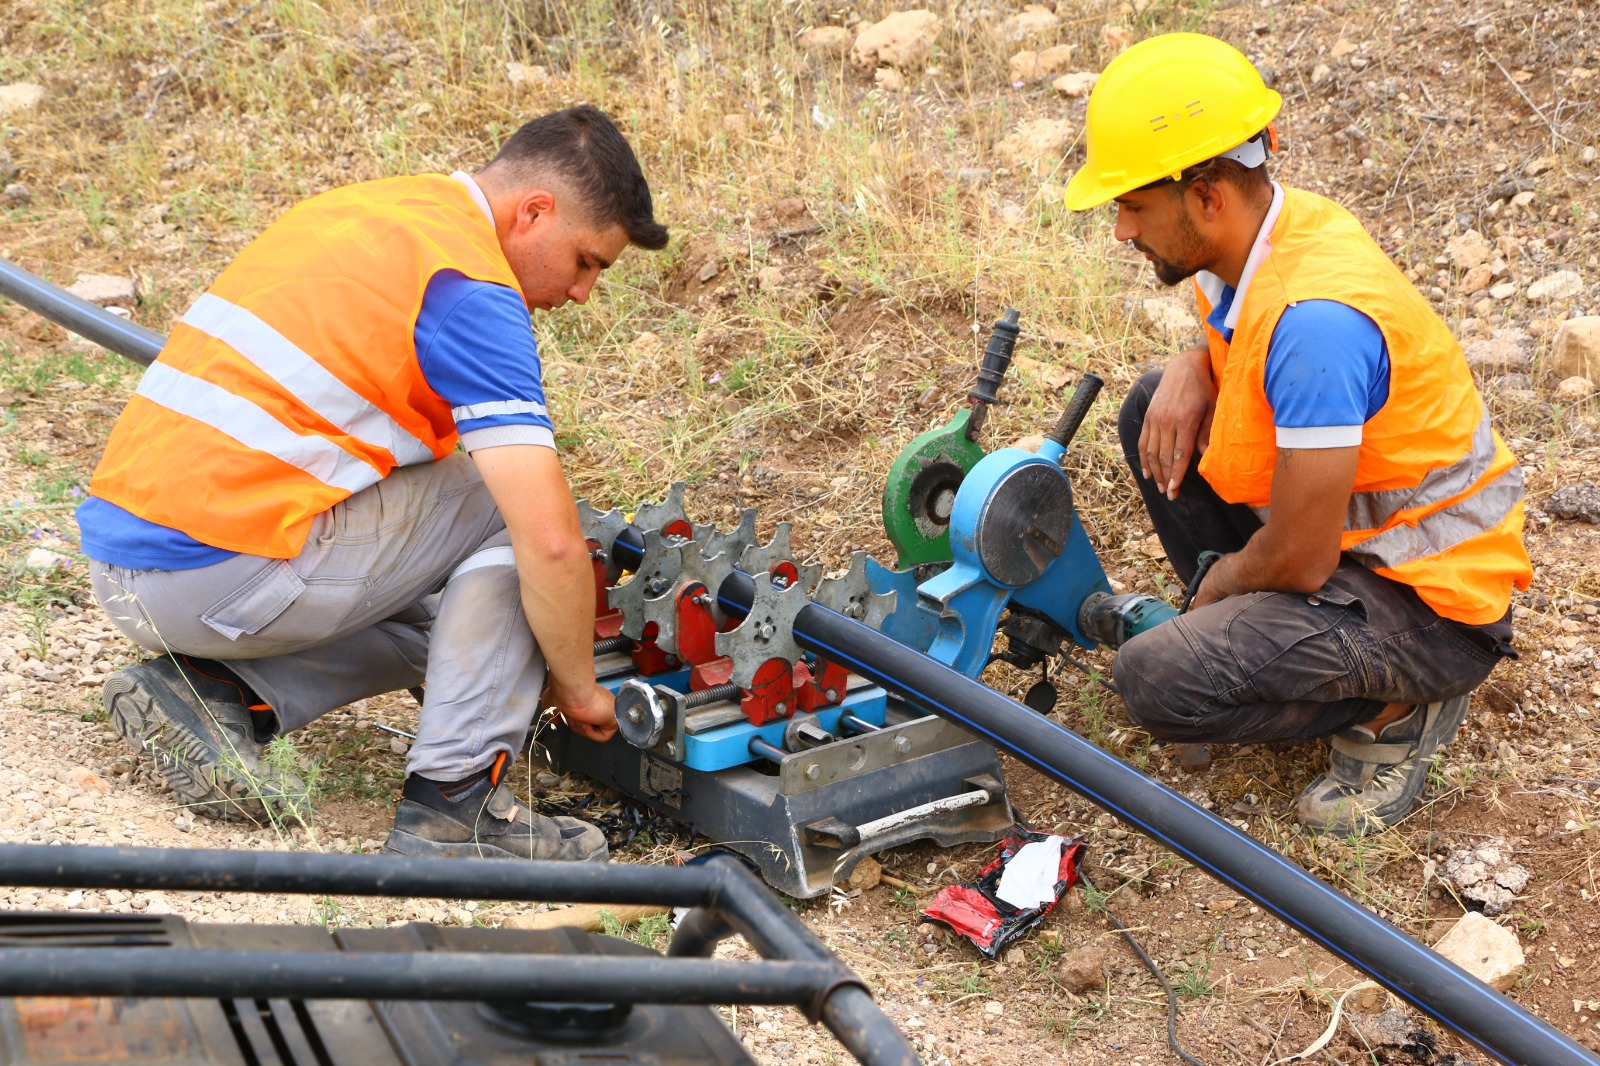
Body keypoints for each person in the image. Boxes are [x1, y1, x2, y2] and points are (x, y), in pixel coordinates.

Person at [78, 105, 668, 861]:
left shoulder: (369, 211)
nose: (583, 292)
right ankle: (454, 811)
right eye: (588, 261)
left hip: (135, 561)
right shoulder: (471, 291)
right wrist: (580, 687)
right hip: (214, 569)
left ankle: (216, 691)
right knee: (509, 519)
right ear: (534, 213)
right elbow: (549, 541)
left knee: (464, 623)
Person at [1061, 34, 1533, 833]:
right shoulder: (1263, 239)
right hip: (1355, 546)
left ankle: (1398, 707)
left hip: (1435, 606)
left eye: (1133, 205)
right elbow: (1253, 361)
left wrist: (1218, 587)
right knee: (1153, 405)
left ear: (1207, 196)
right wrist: (1194, 364)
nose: (1121, 230)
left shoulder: (1316, 324)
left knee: (1154, 681)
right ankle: (1256, 645)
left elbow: (1301, 555)